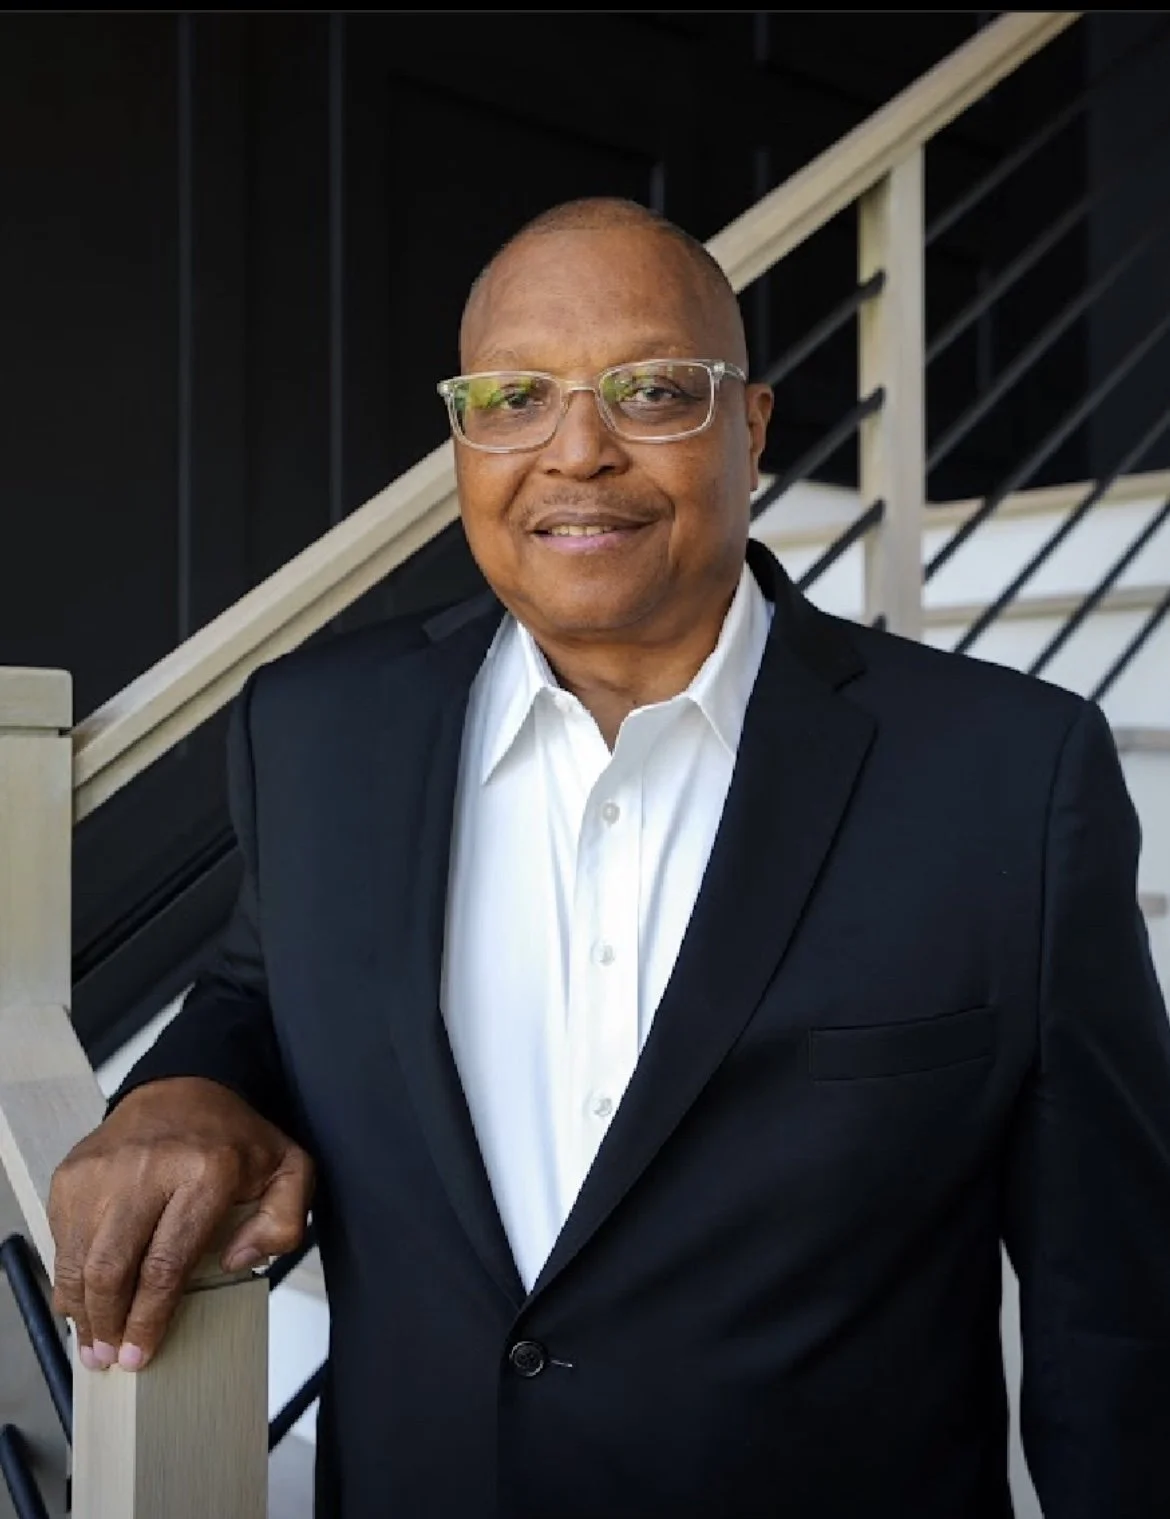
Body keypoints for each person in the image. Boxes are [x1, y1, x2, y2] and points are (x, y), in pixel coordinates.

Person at [49, 198, 1170, 1519]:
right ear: (464, 436)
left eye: (649, 391)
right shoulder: (316, 731)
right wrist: (182, 1089)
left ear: (749, 427)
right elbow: (260, 984)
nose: (574, 451)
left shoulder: (1004, 773)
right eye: (512, 396)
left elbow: (1117, 1311)